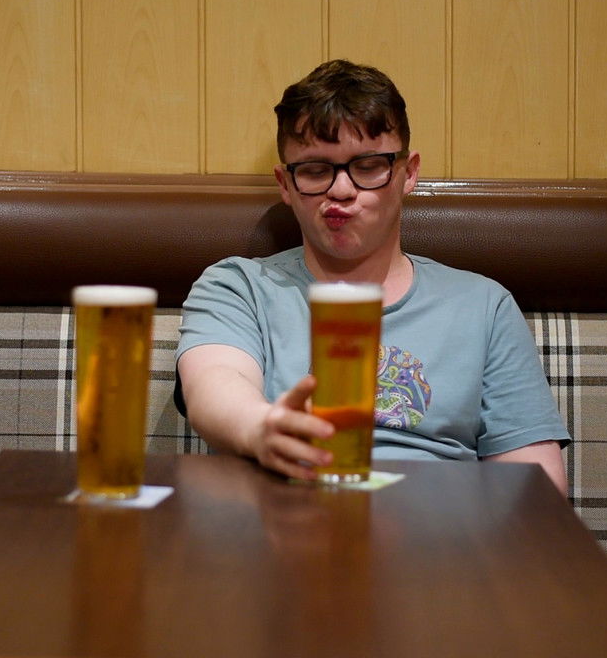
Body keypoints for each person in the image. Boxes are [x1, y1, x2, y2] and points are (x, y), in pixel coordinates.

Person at [176, 59, 570, 494]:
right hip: (281, 528)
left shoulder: (483, 305)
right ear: (285, 185)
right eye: (314, 170)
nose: (341, 191)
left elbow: (537, 483)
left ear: (409, 172)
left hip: (441, 543)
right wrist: (263, 428)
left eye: (367, 166)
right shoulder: (239, 287)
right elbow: (214, 387)